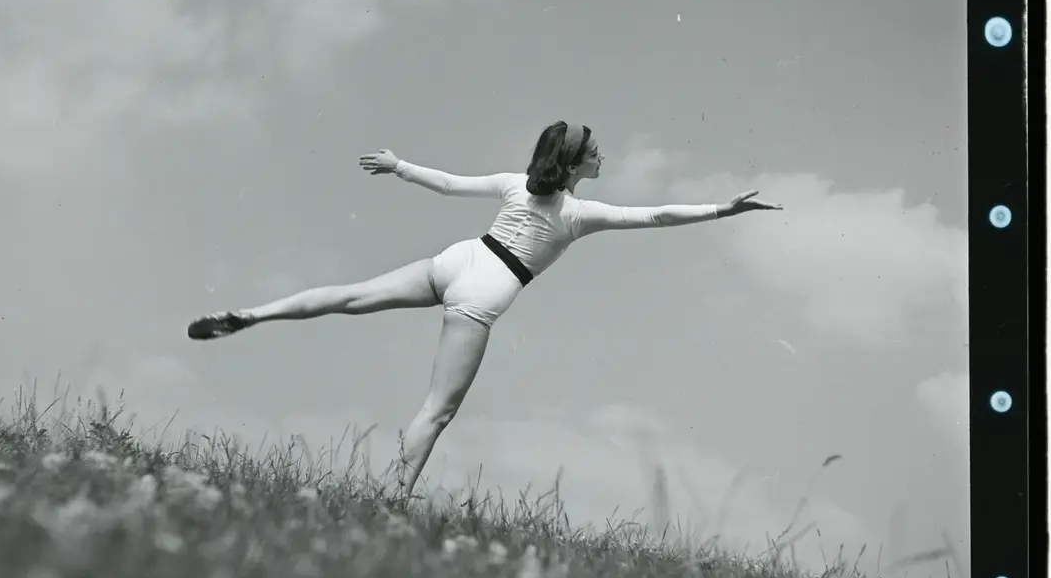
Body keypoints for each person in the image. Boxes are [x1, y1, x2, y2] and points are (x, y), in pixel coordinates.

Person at [187, 121, 782, 499]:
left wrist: (399, 165)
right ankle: (391, 499)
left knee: (348, 296)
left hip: (460, 258)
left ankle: (254, 313)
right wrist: (723, 209)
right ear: (576, 164)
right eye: (595, 154)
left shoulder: (515, 184)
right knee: (438, 409)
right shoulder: (579, 213)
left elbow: (449, 184)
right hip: (485, 290)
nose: (602, 159)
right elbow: (655, 215)